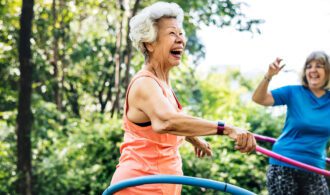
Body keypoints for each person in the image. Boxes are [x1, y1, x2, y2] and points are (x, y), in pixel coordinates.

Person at [110, 2, 256, 194]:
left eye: (181, 33)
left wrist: (195, 140)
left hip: (164, 185)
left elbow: (172, 120)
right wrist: (226, 129)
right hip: (139, 185)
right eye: (172, 34)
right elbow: (166, 121)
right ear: (149, 43)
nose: (180, 40)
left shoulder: (163, 84)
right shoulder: (144, 83)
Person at [252, 51, 330, 194]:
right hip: (284, 163)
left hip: (315, 167)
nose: (313, 70)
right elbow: (259, 98)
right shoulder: (293, 92)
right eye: (309, 66)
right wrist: (269, 75)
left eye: (319, 66)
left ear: (328, 71)